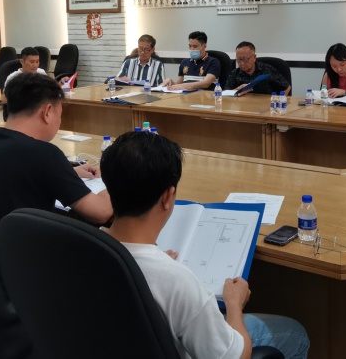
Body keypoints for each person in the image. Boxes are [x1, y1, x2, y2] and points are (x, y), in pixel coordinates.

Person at [101, 131, 311, 359]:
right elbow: (236, 356)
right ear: (168, 197)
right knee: (295, 334)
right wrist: (234, 305)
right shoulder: (176, 281)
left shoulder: (87, 249)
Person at [0, 73, 113, 275]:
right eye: (60, 115)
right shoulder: (44, 153)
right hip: (20, 271)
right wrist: (116, 182)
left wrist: (68, 172)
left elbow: (13, 172)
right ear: (47, 112)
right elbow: (100, 212)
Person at [225, 41, 290, 96]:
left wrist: (278, 102)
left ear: (254, 57)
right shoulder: (234, 74)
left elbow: (286, 87)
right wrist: (238, 90)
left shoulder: (267, 70)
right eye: (239, 59)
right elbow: (226, 95)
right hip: (242, 106)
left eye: (245, 59)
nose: (241, 63)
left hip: (266, 105)